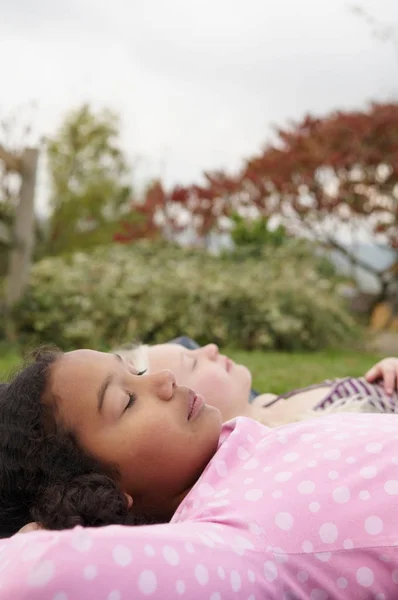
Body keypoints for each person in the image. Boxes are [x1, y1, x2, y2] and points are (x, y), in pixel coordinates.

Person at [1, 347, 398, 598]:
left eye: (135, 373)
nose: (165, 379)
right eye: (126, 402)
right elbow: (34, 574)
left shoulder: (239, 451)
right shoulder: (229, 539)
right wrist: (46, 534)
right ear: (97, 492)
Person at [117, 341, 398, 425]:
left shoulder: (269, 402)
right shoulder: (288, 435)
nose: (211, 348)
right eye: (193, 361)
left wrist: (388, 369)